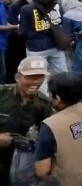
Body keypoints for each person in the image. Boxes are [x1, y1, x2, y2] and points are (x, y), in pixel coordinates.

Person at [0, 56, 52, 185]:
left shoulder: (43, 104)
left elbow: (45, 136)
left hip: (17, 159)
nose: (35, 82)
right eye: (30, 77)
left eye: (40, 77)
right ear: (17, 77)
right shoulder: (2, 94)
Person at [19, 0, 68, 80]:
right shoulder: (56, 6)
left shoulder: (26, 9)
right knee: (62, 74)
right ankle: (65, 92)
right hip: (56, 45)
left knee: (38, 76)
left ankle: (42, 95)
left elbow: (22, 31)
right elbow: (62, 22)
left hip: (35, 48)